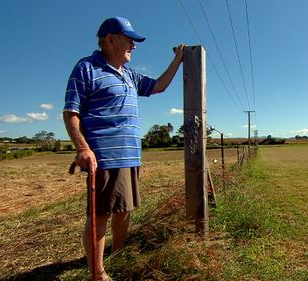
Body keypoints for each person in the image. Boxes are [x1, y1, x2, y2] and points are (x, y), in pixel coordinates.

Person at [63, 16, 184, 280]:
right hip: (104, 156)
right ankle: (99, 273)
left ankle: (118, 255)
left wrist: (177, 61)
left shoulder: (129, 75)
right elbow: (71, 112)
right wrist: (83, 148)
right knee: (101, 216)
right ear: (109, 40)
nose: (134, 46)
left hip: (131, 155)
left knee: (125, 208)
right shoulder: (87, 68)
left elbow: (159, 86)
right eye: (129, 40)